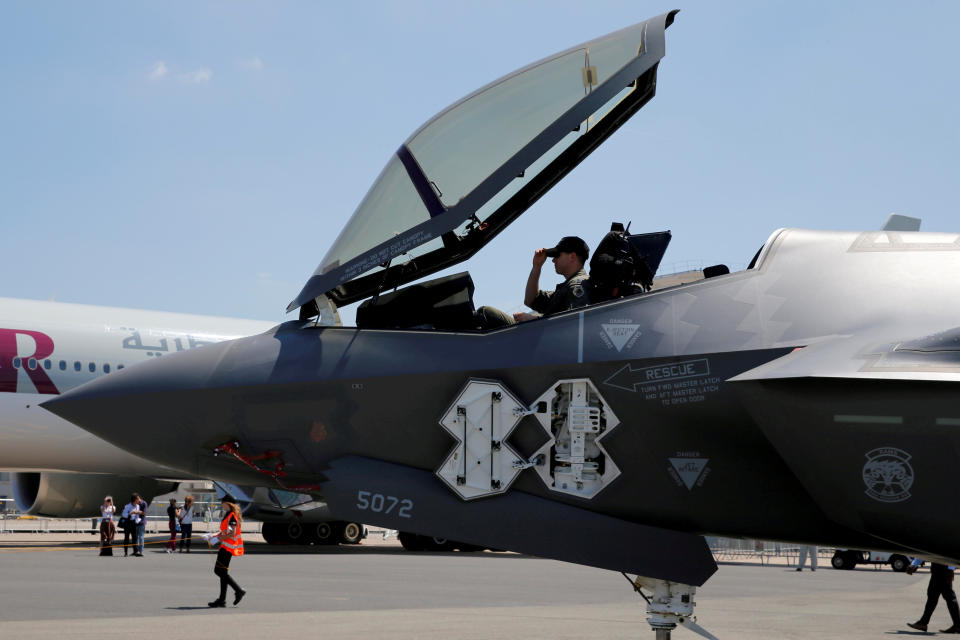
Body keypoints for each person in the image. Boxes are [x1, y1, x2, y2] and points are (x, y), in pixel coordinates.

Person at [477, 236, 591, 328]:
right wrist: (537, 267)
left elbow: (575, 324)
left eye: (557, 255)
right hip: (539, 339)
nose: (553, 260)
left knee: (486, 313)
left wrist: (535, 320)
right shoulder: (567, 287)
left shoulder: (577, 285)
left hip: (543, 344)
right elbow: (531, 300)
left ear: (572, 257)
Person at [203, 497, 246, 608]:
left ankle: (238, 590)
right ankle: (222, 600)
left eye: (222, 502)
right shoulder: (228, 514)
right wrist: (213, 535)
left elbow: (233, 533)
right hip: (225, 547)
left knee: (219, 571)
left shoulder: (232, 516)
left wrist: (219, 539)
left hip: (228, 548)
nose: (221, 504)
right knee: (222, 573)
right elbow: (225, 531)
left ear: (227, 503)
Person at [907, 559, 960, 633]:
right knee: (940, 596)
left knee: (938, 596)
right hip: (940, 568)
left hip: (942, 569)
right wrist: (914, 564)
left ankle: (923, 623)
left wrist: (950, 569)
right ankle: (957, 625)